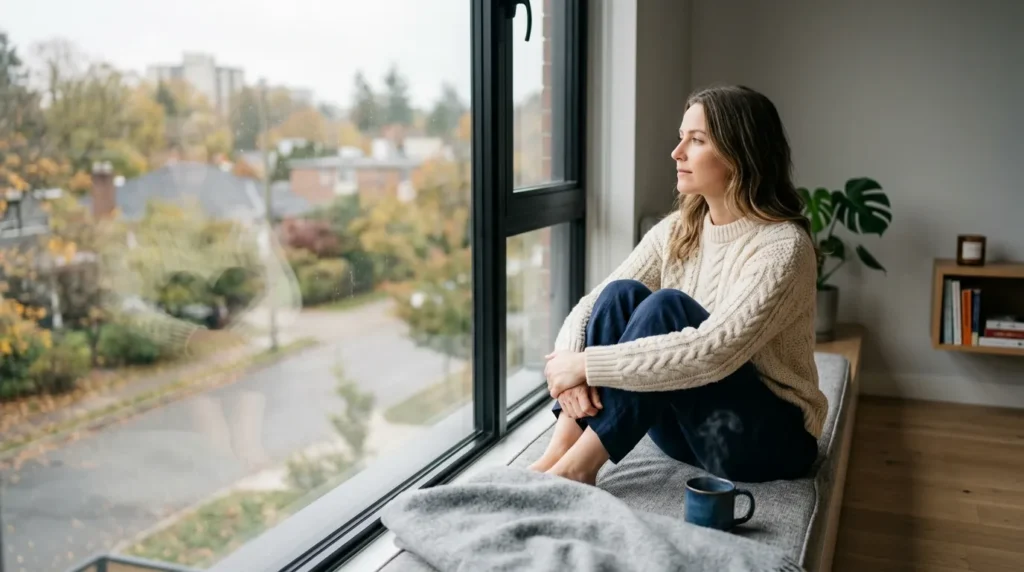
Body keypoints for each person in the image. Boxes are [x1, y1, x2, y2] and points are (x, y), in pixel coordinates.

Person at [530, 85, 828, 486]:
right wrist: (566, 365)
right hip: (687, 430)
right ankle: (559, 450)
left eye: (697, 140)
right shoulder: (678, 228)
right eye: (680, 137)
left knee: (666, 308)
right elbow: (594, 302)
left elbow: (714, 351)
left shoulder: (783, 247)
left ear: (741, 153)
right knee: (621, 296)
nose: (677, 152)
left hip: (764, 442)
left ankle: (578, 470)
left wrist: (584, 364)